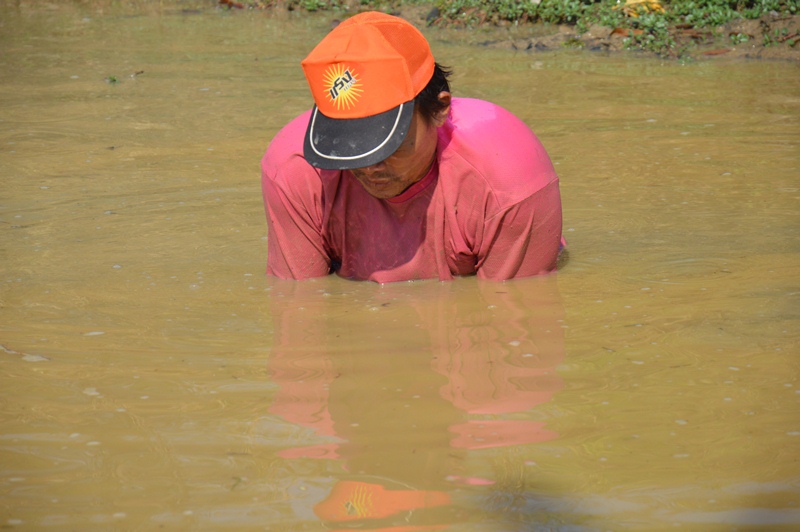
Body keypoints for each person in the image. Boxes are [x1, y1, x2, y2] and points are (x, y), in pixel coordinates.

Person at [261, 11, 563, 283]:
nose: (367, 166)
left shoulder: (506, 179)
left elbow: (515, 317)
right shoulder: (296, 169)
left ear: (439, 109)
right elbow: (300, 311)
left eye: (387, 143)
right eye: (347, 145)